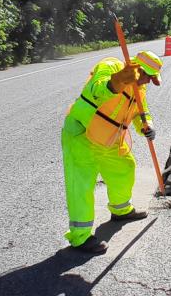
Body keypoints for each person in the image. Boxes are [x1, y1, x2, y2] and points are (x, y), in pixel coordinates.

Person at [61, 51, 163, 253]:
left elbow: (142, 112)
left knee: (125, 168)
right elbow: (96, 90)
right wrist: (116, 82)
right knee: (81, 184)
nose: (149, 82)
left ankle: (121, 210)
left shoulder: (139, 89)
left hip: (110, 139)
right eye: (148, 77)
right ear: (138, 69)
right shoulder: (111, 66)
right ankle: (80, 237)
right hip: (83, 134)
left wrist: (147, 125)